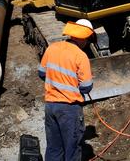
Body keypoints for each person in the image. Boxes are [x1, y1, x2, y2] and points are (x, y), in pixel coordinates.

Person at [37, 19, 94, 161]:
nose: (87, 43)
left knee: (54, 148)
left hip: (50, 106)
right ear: (82, 38)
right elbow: (86, 87)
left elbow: (42, 73)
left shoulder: (52, 48)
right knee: (72, 149)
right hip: (69, 109)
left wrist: (58, 82)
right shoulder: (80, 56)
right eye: (87, 39)